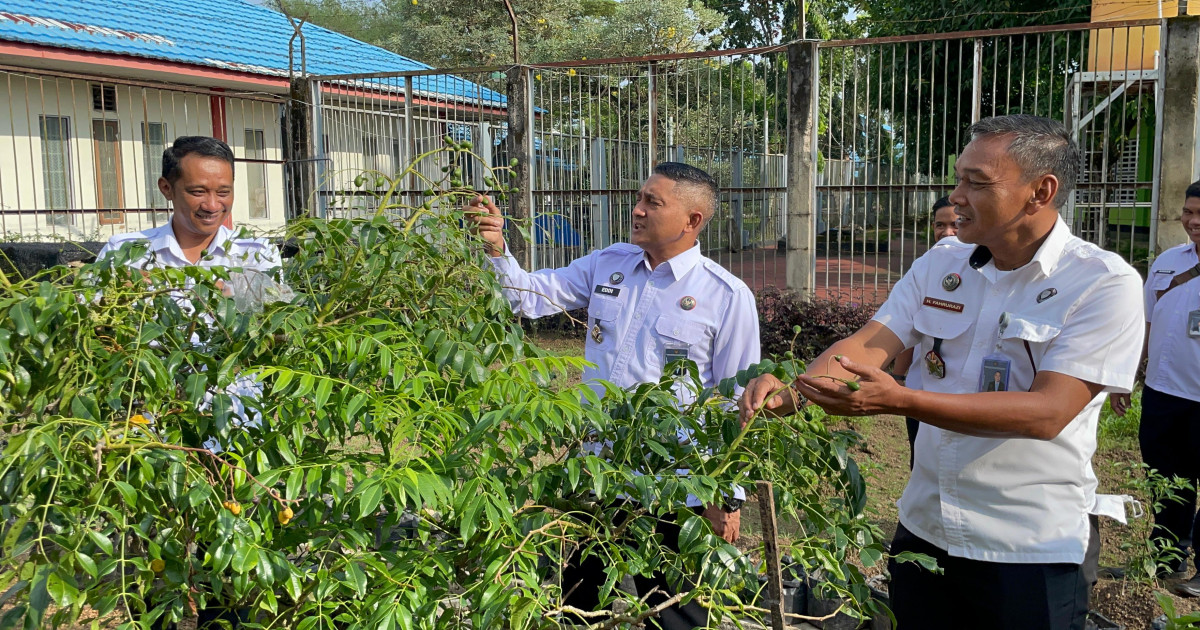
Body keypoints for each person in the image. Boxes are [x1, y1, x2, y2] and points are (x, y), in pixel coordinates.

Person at [738, 115, 1144, 630]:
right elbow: (867, 344)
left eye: (978, 183)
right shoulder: (941, 264)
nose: (957, 197)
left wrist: (904, 401)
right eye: (958, 179)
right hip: (926, 529)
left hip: (1027, 546)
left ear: (1040, 191)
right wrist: (791, 395)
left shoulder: (1102, 284)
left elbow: (1048, 412)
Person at [466, 161, 760, 630]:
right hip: (598, 472)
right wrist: (498, 248)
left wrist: (726, 497)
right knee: (579, 602)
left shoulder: (725, 296)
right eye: (640, 198)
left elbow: (737, 403)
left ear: (692, 221)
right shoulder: (610, 263)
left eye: (653, 203)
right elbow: (529, 297)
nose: (637, 210)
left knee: (677, 610)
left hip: (674, 486)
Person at [96, 136, 281, 629]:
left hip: (233, 423)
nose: (212, 204)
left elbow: (275, 335)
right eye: (198, 191)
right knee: (153, 550)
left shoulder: (254, 254)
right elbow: (96, 335)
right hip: (152, 425)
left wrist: (236, 300)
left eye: (224, 192)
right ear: (167, 188)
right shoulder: (127, 254)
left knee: (230, 546)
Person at [1112, 179, 1200, 596]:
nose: (1193, 222)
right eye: (1188, 212)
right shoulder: (1168, 262)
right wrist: (1128, 375)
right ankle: (1168, 558)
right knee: (1165, 476)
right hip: (1165, 394)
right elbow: (1144, 325)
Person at [891, 196, 958, 468]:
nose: (946, 232)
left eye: (956, 224)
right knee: (921, 464)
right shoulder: (924, 270)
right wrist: (898, 375)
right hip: (920, 393)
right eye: (939, 225)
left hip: (962, 401)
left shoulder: (989, 274)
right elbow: (905, 330)